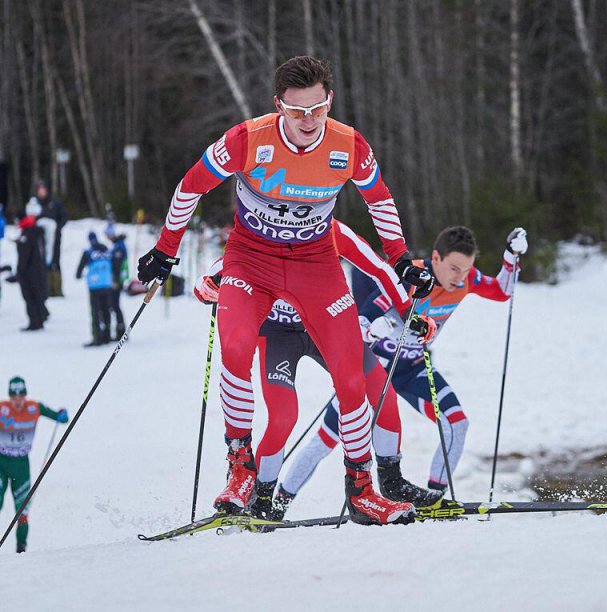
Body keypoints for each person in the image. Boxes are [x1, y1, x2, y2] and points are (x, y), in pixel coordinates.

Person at [137, 55, 434, 525]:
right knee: (235, 348)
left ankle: (362, 491)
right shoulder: (246, 139)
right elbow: (190, 187)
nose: (308, 121)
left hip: (315, 265)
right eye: (297, 112)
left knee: (352, 376)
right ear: (279, 106)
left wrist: (400, 260)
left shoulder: (348, 145)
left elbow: (379, 199)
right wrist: (165, 249)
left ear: (329, 101)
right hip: (251, 261)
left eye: (317, 109)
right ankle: (240, 468)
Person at [194, 218, 442, 519]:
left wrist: (408, 313)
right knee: (284, 416)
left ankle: (390, 481)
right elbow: (217, 273)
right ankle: (260, 498)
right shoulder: (263, 227)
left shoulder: (330, 227)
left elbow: (378, 269)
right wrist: (207, 287)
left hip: (329, 324)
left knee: (381, 393)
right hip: (279, 334)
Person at [279, 225, 527, 513]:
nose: (460, 278)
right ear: (436, 258)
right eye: (454, 269)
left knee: (457, 423)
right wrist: (377, 329)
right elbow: (360, 321)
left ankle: (434, 499)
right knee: (326, 440)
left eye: (466, 270)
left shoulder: (466, 280)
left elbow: (501, 291)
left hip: (411, 369)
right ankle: (278, 502)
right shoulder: (409, 276)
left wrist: (511, 256)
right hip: (375, 370)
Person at [0, 376, 69, 553]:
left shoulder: (34, 408)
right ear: (10, 396)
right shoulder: (2, 409)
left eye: (20, 396)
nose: (17, 401)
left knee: (23, 510)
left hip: (21, 465)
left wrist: (61, 415)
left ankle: (21, 549)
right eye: (13, 397)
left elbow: (60, 418)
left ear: (24, 395)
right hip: (1, 462)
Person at [9, 212, 48, 331]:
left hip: (28, 273)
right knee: (37, 295)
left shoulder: (27, 234)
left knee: (30, 297)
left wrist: (19, 272)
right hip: (38, 270)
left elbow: (25, 255)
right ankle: (40, 318)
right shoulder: (34, 232)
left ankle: (34, 322)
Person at [76, 231, 114, 347]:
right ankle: (107, 335)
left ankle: (97, 337)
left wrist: (79, 275)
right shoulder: (106, 250)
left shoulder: (88, 252)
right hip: (107, 284)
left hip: (94, 285)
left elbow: (79, 270)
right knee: (106, 310)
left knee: (95, 312)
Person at [33, 179, 67, 297]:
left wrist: (58, 228)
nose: (41, 192)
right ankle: (45, 288)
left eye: (43, 190)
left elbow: (63, 216)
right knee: (42, 263)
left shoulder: (55, 202)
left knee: (55, 261)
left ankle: (57, 288)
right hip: (40, 240)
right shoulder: (35, 204)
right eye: (39, 190)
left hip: (55, 238)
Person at [107, 229, 129, 340]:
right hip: (118, 280)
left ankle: (121, 332)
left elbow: (117, 265)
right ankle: (121, 331)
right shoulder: (119, 245)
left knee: (115, 305)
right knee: (115, 306)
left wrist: (115, 281)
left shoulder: (118, 247)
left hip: (117, 281)